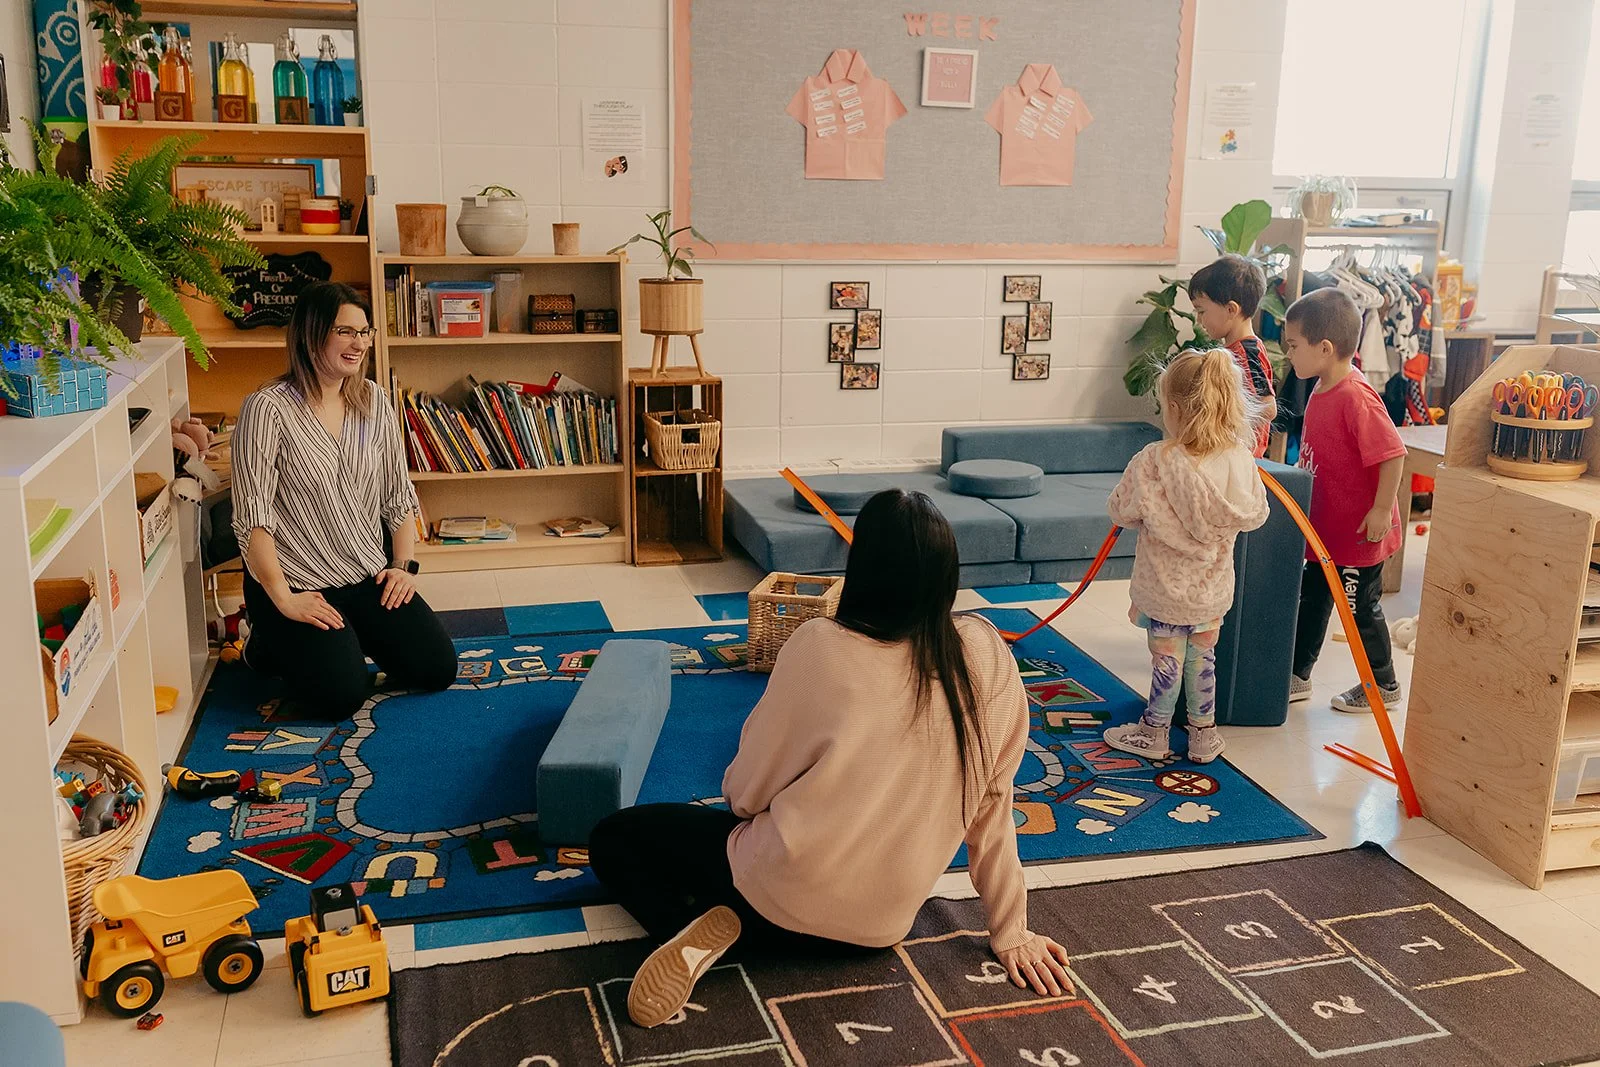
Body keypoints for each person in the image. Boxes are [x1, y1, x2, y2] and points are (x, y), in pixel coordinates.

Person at [588, 490, 1071, 1029]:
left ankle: (697, 928)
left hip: (772, 896)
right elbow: (993, 807)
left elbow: (744, 795)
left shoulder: (820, 645)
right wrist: (1011, 931)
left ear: (860, 567)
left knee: (615, 837)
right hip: (880, 931)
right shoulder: (987, 653)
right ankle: (741, 932)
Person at [231, 281, 455, 719]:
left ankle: (348, 636)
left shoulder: (375, 401)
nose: (359, 343)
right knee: (340, 697)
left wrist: (403, 567)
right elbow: (252, 519)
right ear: (312, 334)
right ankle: (264, 644)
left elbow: (397, 495)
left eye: (365, 332)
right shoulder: (266, 408)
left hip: (365, 573)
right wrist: (283, 599)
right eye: (345, 331)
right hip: (296, 582)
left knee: (436, 669)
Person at [1102, 349, 1270, 763]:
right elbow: (1256, 513)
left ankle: (1155, 732)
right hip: (1210, 591)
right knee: (1203, 659)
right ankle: (1202, 736)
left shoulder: (1154, 461)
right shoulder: (1239, 461)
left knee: (1166, 660)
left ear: (1175, 408)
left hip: (1163, 590)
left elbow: (1120, 510)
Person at [1282, 288, 1407, 713]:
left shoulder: (1356, 396)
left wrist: (1379, 510)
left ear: (1325, 347)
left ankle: (1383, 686)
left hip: (1358, 534)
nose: (1289, 355)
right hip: (1326, 534)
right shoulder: (1321, 387)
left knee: (1359, 610)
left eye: (1293, 346)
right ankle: (1298, 676)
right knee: (1313, 601)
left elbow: (1393, 455)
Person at [1189, 253, 1278, 457]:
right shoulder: (1233, 351)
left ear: (1231, 309)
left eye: (1201, 311)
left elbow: (1268, 408)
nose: (1199, 320)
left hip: (1243, 458)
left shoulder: (1247, 352)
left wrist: (1222, 417)